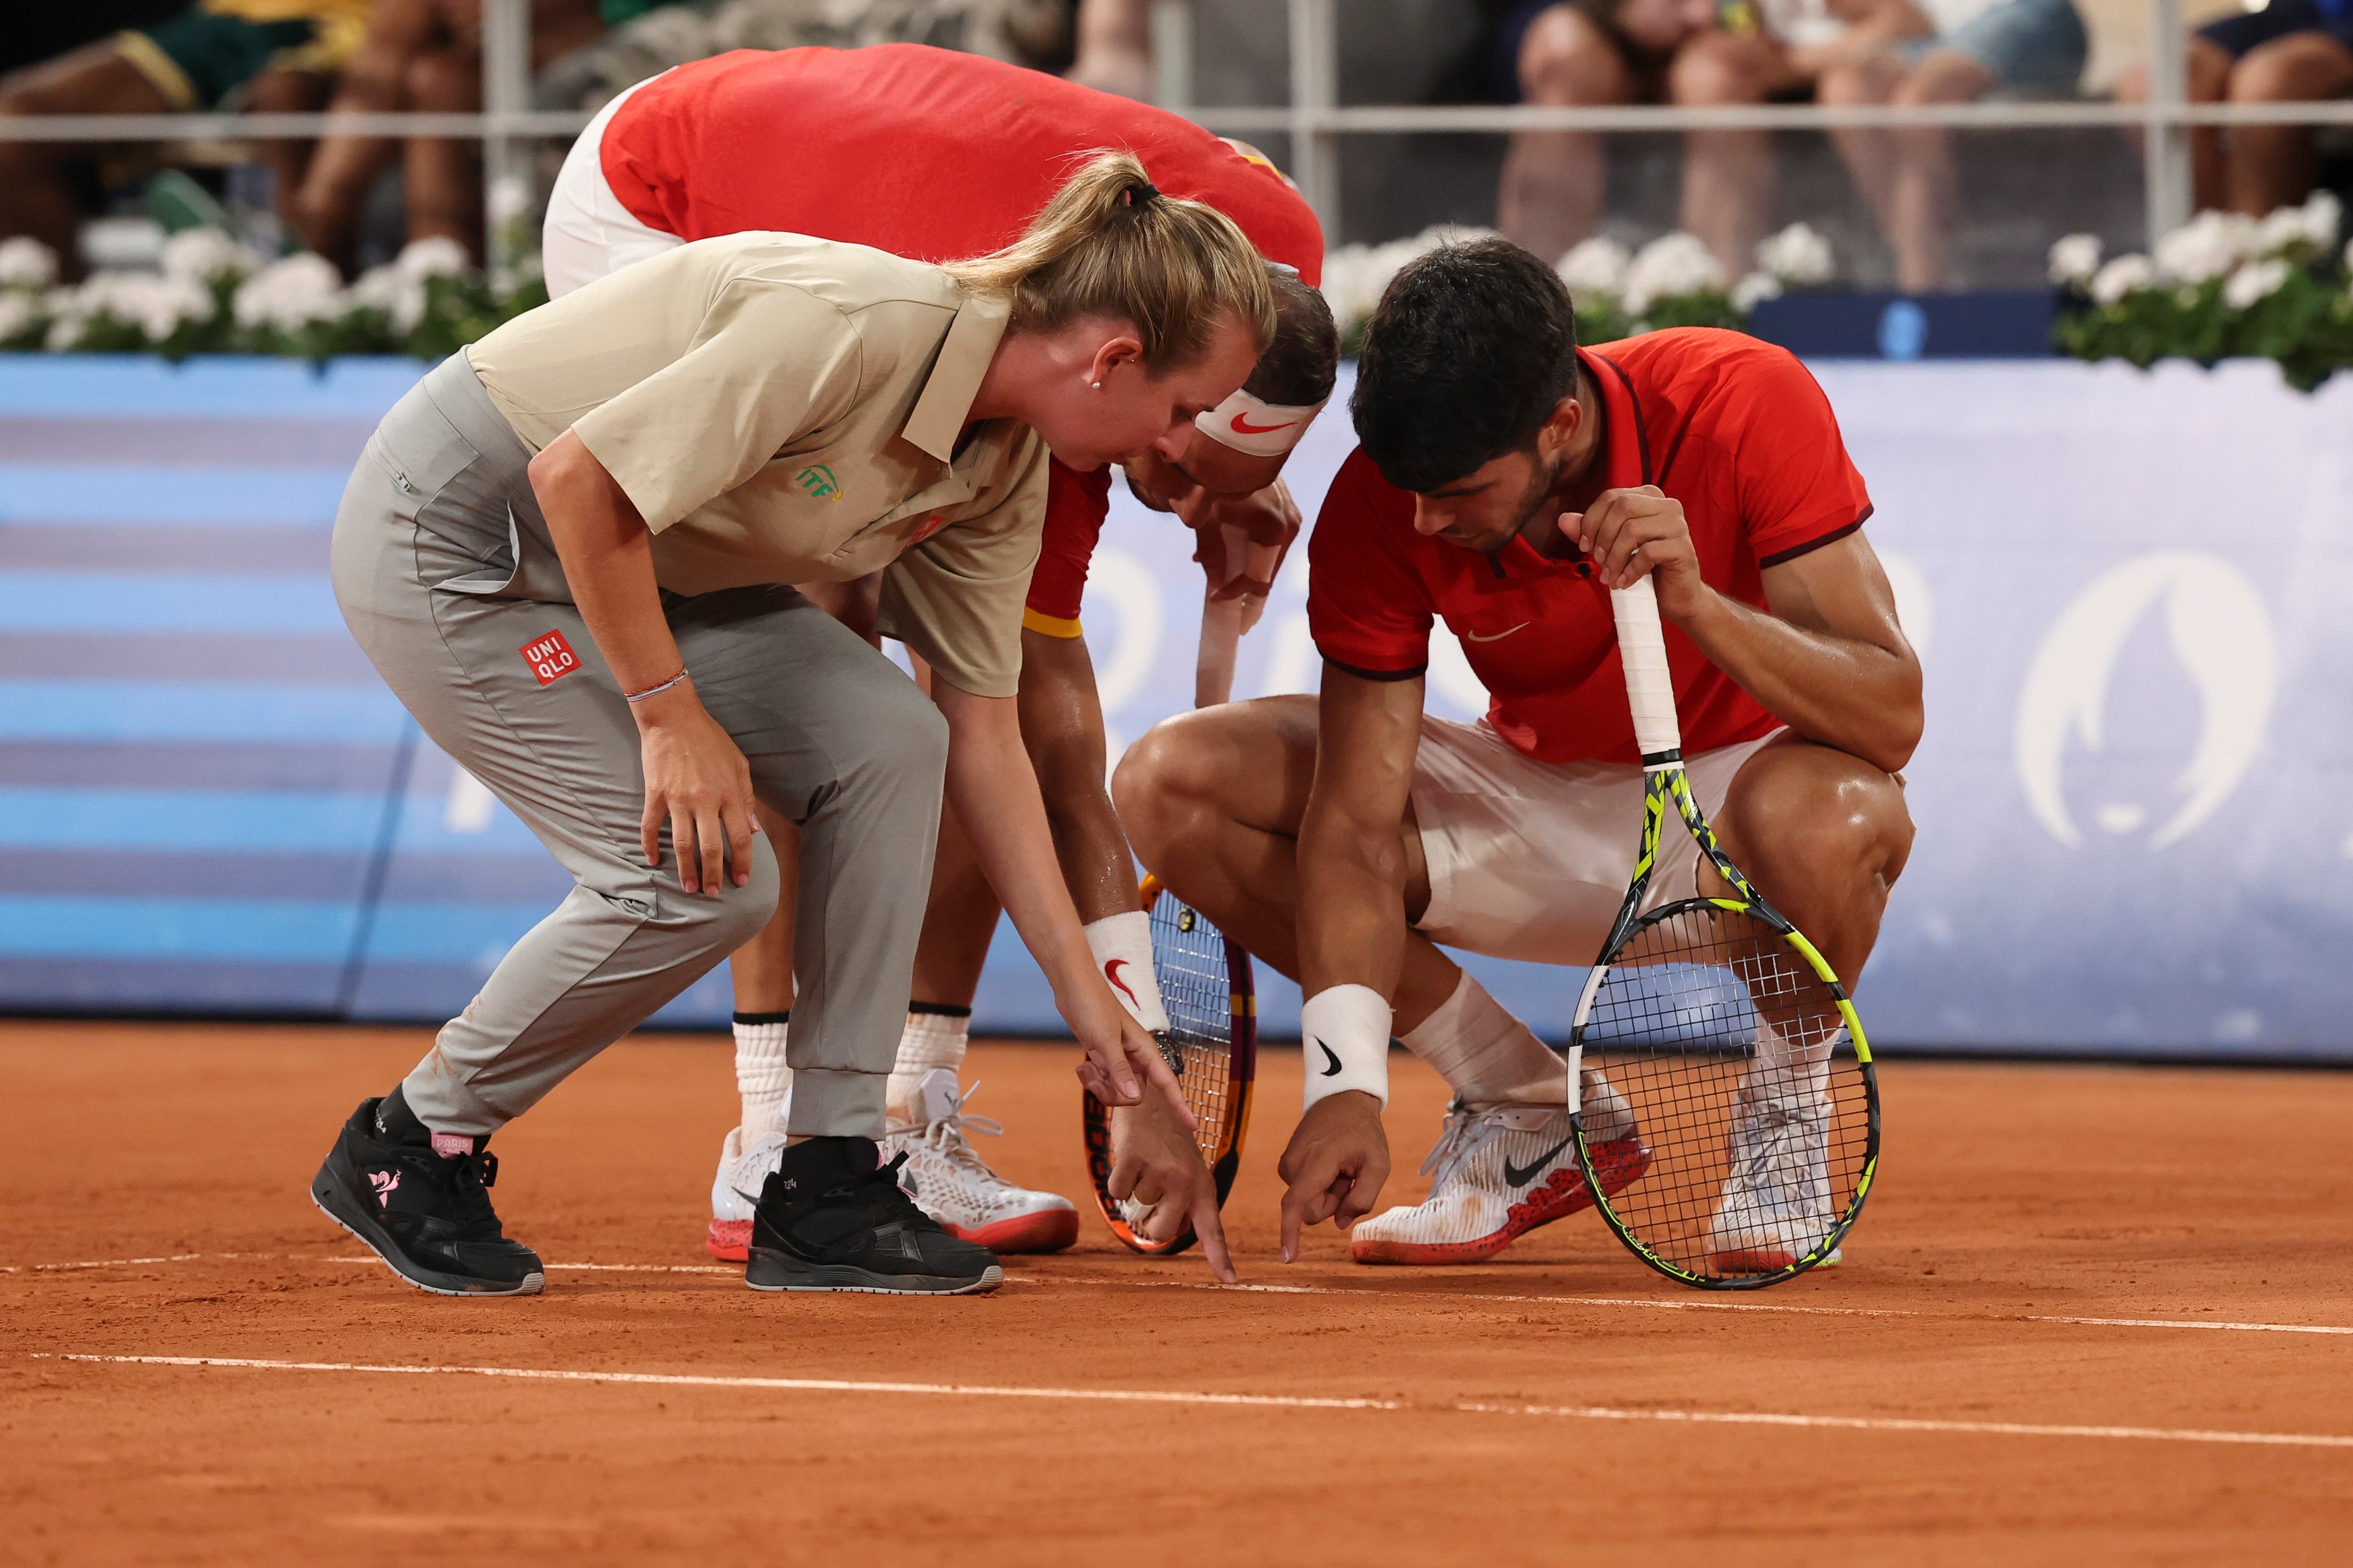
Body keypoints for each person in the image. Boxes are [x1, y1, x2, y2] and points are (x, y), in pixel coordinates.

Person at [311, 150, 1274, 1299]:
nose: (1173, 448)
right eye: (1176, 410)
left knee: (891, 736)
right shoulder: (851, 323)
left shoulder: (1006, 460)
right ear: (1112, 359)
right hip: (466, 541)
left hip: (649, 569)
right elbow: (579, 482)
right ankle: (411, 1140)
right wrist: (669, 716)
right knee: (698, 879)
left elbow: (982, 732)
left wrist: (1090, 999)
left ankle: (825, 1177)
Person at [540, 42, 1337, 1260]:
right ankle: (772, 1134)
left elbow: (1006, 702)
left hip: (867, 189)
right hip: (664, 200)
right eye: (1172, 456)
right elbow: (1054, 737)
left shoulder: (1248, 286)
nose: (1176, 499)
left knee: (966, 684)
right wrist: (1142, 1057)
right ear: (1128, 368)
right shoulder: (1050, 334)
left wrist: (1226, 484)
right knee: (818, 632)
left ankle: (908, 1104)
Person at [1115, 238, 1919, 1268]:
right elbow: (1355, 825)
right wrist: (1345, 1082)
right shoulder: (1387, 502)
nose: (1424, 519)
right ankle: (1519, 1099)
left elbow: (1890, 714)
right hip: (1528, 804)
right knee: (1171, 781)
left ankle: (1784, 1107)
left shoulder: (1738, 397)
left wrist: (1697, 605)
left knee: (1835, 817)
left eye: (1456, 491)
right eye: (1408, 488)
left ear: (1561, 427)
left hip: (1738, 809)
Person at [1491, 0, 1931, 277]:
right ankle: (1523, 293)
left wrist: (1794, 62)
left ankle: (1713, 290)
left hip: (1729, 51)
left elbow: (1907, 21)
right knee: (1563, 54)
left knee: (1711, 78)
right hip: (1608, 33)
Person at [0, 0, 367, 275]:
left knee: (281, 101)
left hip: (339, 25)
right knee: (11, 126)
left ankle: (307, 312)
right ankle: (75, 335)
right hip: (223, 21)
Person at [289, 0, 606, 273]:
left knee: (412, 20)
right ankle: (440, 279)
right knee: (439, 77)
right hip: (494, 56)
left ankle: (319, 226)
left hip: (606, 30)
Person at [1820, 0, 2086, 291]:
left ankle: (1926, 287)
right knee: (1847, 90)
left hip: (2016, 11)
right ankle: (1916, 256)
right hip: (1936, 31)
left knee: (1917, 107)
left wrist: (1797, 60)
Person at [2116, 2, 2353, 217]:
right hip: (2298, 9)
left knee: (2266, 85)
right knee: (2148, 83)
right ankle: (2205, 248)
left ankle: (2259, 251)